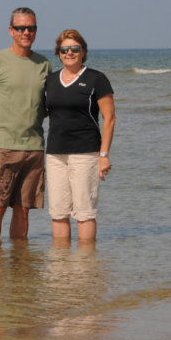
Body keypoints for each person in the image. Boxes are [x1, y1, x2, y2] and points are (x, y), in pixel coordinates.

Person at [0, 7, 52, 241]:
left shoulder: (44, 64)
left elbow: (46, 105)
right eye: (21, 28)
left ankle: (20, 267)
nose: (26, 32)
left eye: (31, 28)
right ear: (11, 30)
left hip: (34, 146)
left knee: (23, 209)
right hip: (3, 146)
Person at [44, 29, 116, 243]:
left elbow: (109, 119)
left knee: (84, 214)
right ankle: (61, 269)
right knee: (58, 213)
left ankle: (86, 269)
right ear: (58, 53)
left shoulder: (96, 79)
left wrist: (104, 155)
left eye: (75, 48)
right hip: (55, 154)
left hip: (86, 153)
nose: (69, 53)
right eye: (64, 49)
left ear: (83, 51)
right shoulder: (50, 81)